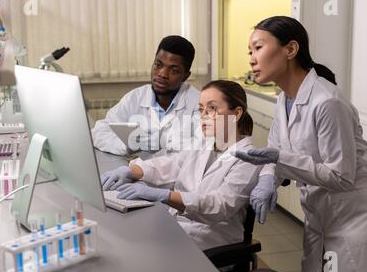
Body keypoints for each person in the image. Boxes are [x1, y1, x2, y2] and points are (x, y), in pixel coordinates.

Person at [234, 16, 367, 272]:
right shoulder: (284, 100)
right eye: (250, 52)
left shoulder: (327, 102)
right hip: (321, 218)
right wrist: (269, 177)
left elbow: (341, 176)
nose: (252, 59)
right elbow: (275, 148)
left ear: (290, 49)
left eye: (258, 48)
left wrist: (279, 160)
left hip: (360, 221)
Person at [101, 80, 260, 250]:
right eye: (201, 109)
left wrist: (166, 195)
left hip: (210, 241)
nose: (204, 115)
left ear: (236, 114)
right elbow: (173, 163)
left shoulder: (249, 159)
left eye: (212, 108)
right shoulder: (205, 144)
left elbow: (219, 205)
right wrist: (131, 171)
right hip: (178, 228)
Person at [92, 35, 200, 155]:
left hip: (181, 173)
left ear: (186, 76)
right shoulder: (135, 97)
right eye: (158, 65)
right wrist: (126, 146)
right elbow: (99, 131)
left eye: (173, 70)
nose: (162, 74)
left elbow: (207, 146)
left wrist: (164, 142)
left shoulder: (198, 103)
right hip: (137, 171)